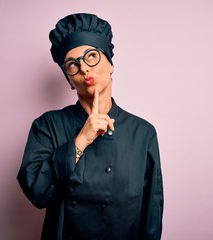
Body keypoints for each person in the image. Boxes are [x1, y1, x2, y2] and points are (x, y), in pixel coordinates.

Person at [17, 13, 164, 240]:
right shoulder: (47, 125)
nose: (84, 68)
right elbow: (37, 193)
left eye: (92, 56)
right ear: (69, 79)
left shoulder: (143, 133)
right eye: (72, 65)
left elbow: (151, 213)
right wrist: (82, 139)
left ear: (111, 64)